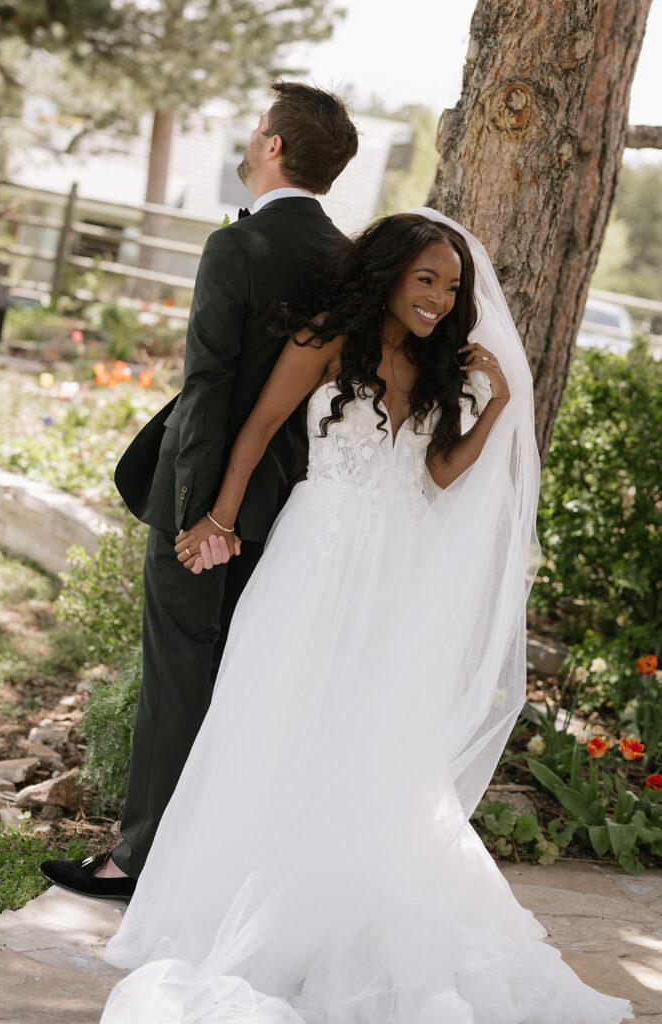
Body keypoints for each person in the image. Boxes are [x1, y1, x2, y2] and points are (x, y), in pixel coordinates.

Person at [98, 211, 634, 1023]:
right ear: (387, 274)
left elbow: (440, 476)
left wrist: (491, 409)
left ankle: (348, 898)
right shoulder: (325, 339)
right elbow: (259, 428)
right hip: (319, 553)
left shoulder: (437, 363)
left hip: (398, 564)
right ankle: (255, 904)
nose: (439, 298)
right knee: (282, 716)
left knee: (369, 733)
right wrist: (220, 518)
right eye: (426, 279)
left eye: (450, 288)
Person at [40, 82, 359, 900]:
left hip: (211, 499)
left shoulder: (238, 247)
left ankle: (138, 858)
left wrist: (200, 517)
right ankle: (215, 850)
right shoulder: (347, 257)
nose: (250, 136)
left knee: (179, 671)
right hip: (289, 494)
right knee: (238, 674)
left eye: (258, 127)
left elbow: (211, 382)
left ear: (276, 147)